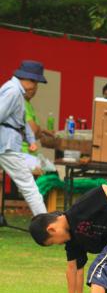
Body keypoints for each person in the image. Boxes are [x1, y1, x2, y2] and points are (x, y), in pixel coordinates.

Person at [0, 60, 47, 215]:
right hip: (7, 145)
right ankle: (45, 224)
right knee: (29, 187)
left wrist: (31, 140)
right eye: (35, 82)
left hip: (7, 143)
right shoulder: (13, 91)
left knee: (29, 187)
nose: (35, 87)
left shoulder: (15, 90)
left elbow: (22, 122)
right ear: (28, 79)